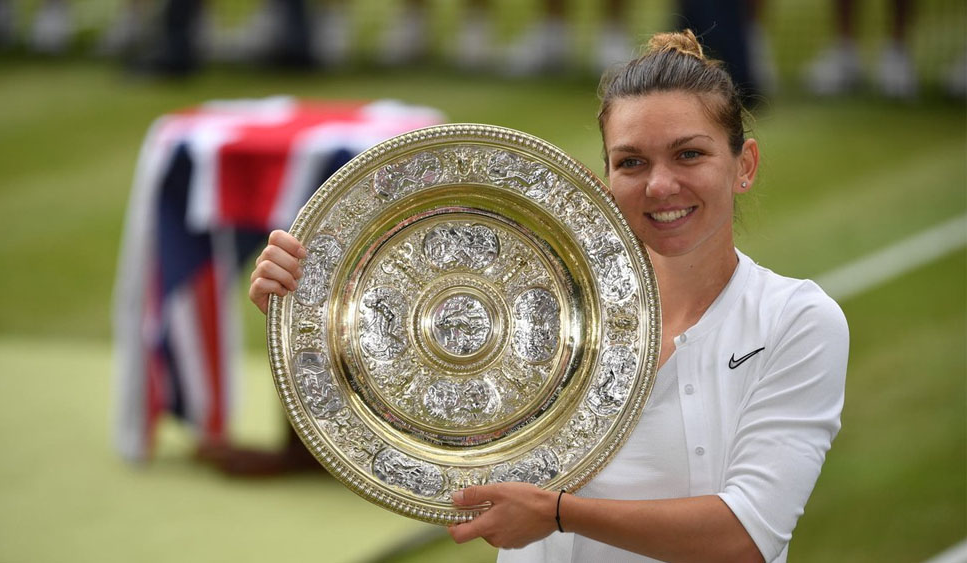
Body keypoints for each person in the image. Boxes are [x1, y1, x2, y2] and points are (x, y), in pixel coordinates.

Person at [248, 29, 848, 562]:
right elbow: (423, 414)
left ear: (744, 165)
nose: (661, 185)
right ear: (605, 176)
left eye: (689, 154)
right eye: (631, 162)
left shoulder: (796, 321)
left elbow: (745, 538)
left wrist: (559, 513)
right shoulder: (540, 304)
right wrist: (308, 314)